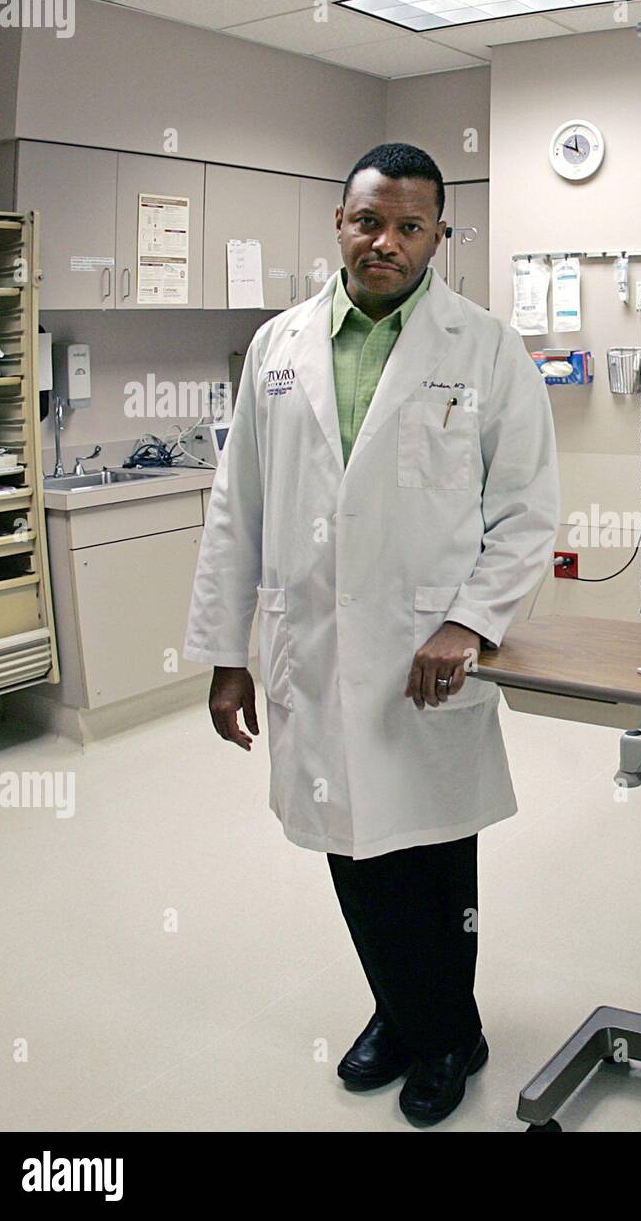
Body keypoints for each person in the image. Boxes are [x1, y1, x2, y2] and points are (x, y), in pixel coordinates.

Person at [184, 142, 558, 1126]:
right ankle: (408, 1015)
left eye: (408, 225)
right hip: (312, 646)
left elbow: (525, 510)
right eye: (367, 220)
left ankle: (446, 1034)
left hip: (424, 655)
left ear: (440, 234)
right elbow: (239, 508)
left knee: (433, 853)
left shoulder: (483, 348)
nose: (383, 240)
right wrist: (229, 651)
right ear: (339, 223)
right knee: (350, 850)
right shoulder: (279, 348)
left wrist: (467, 622)